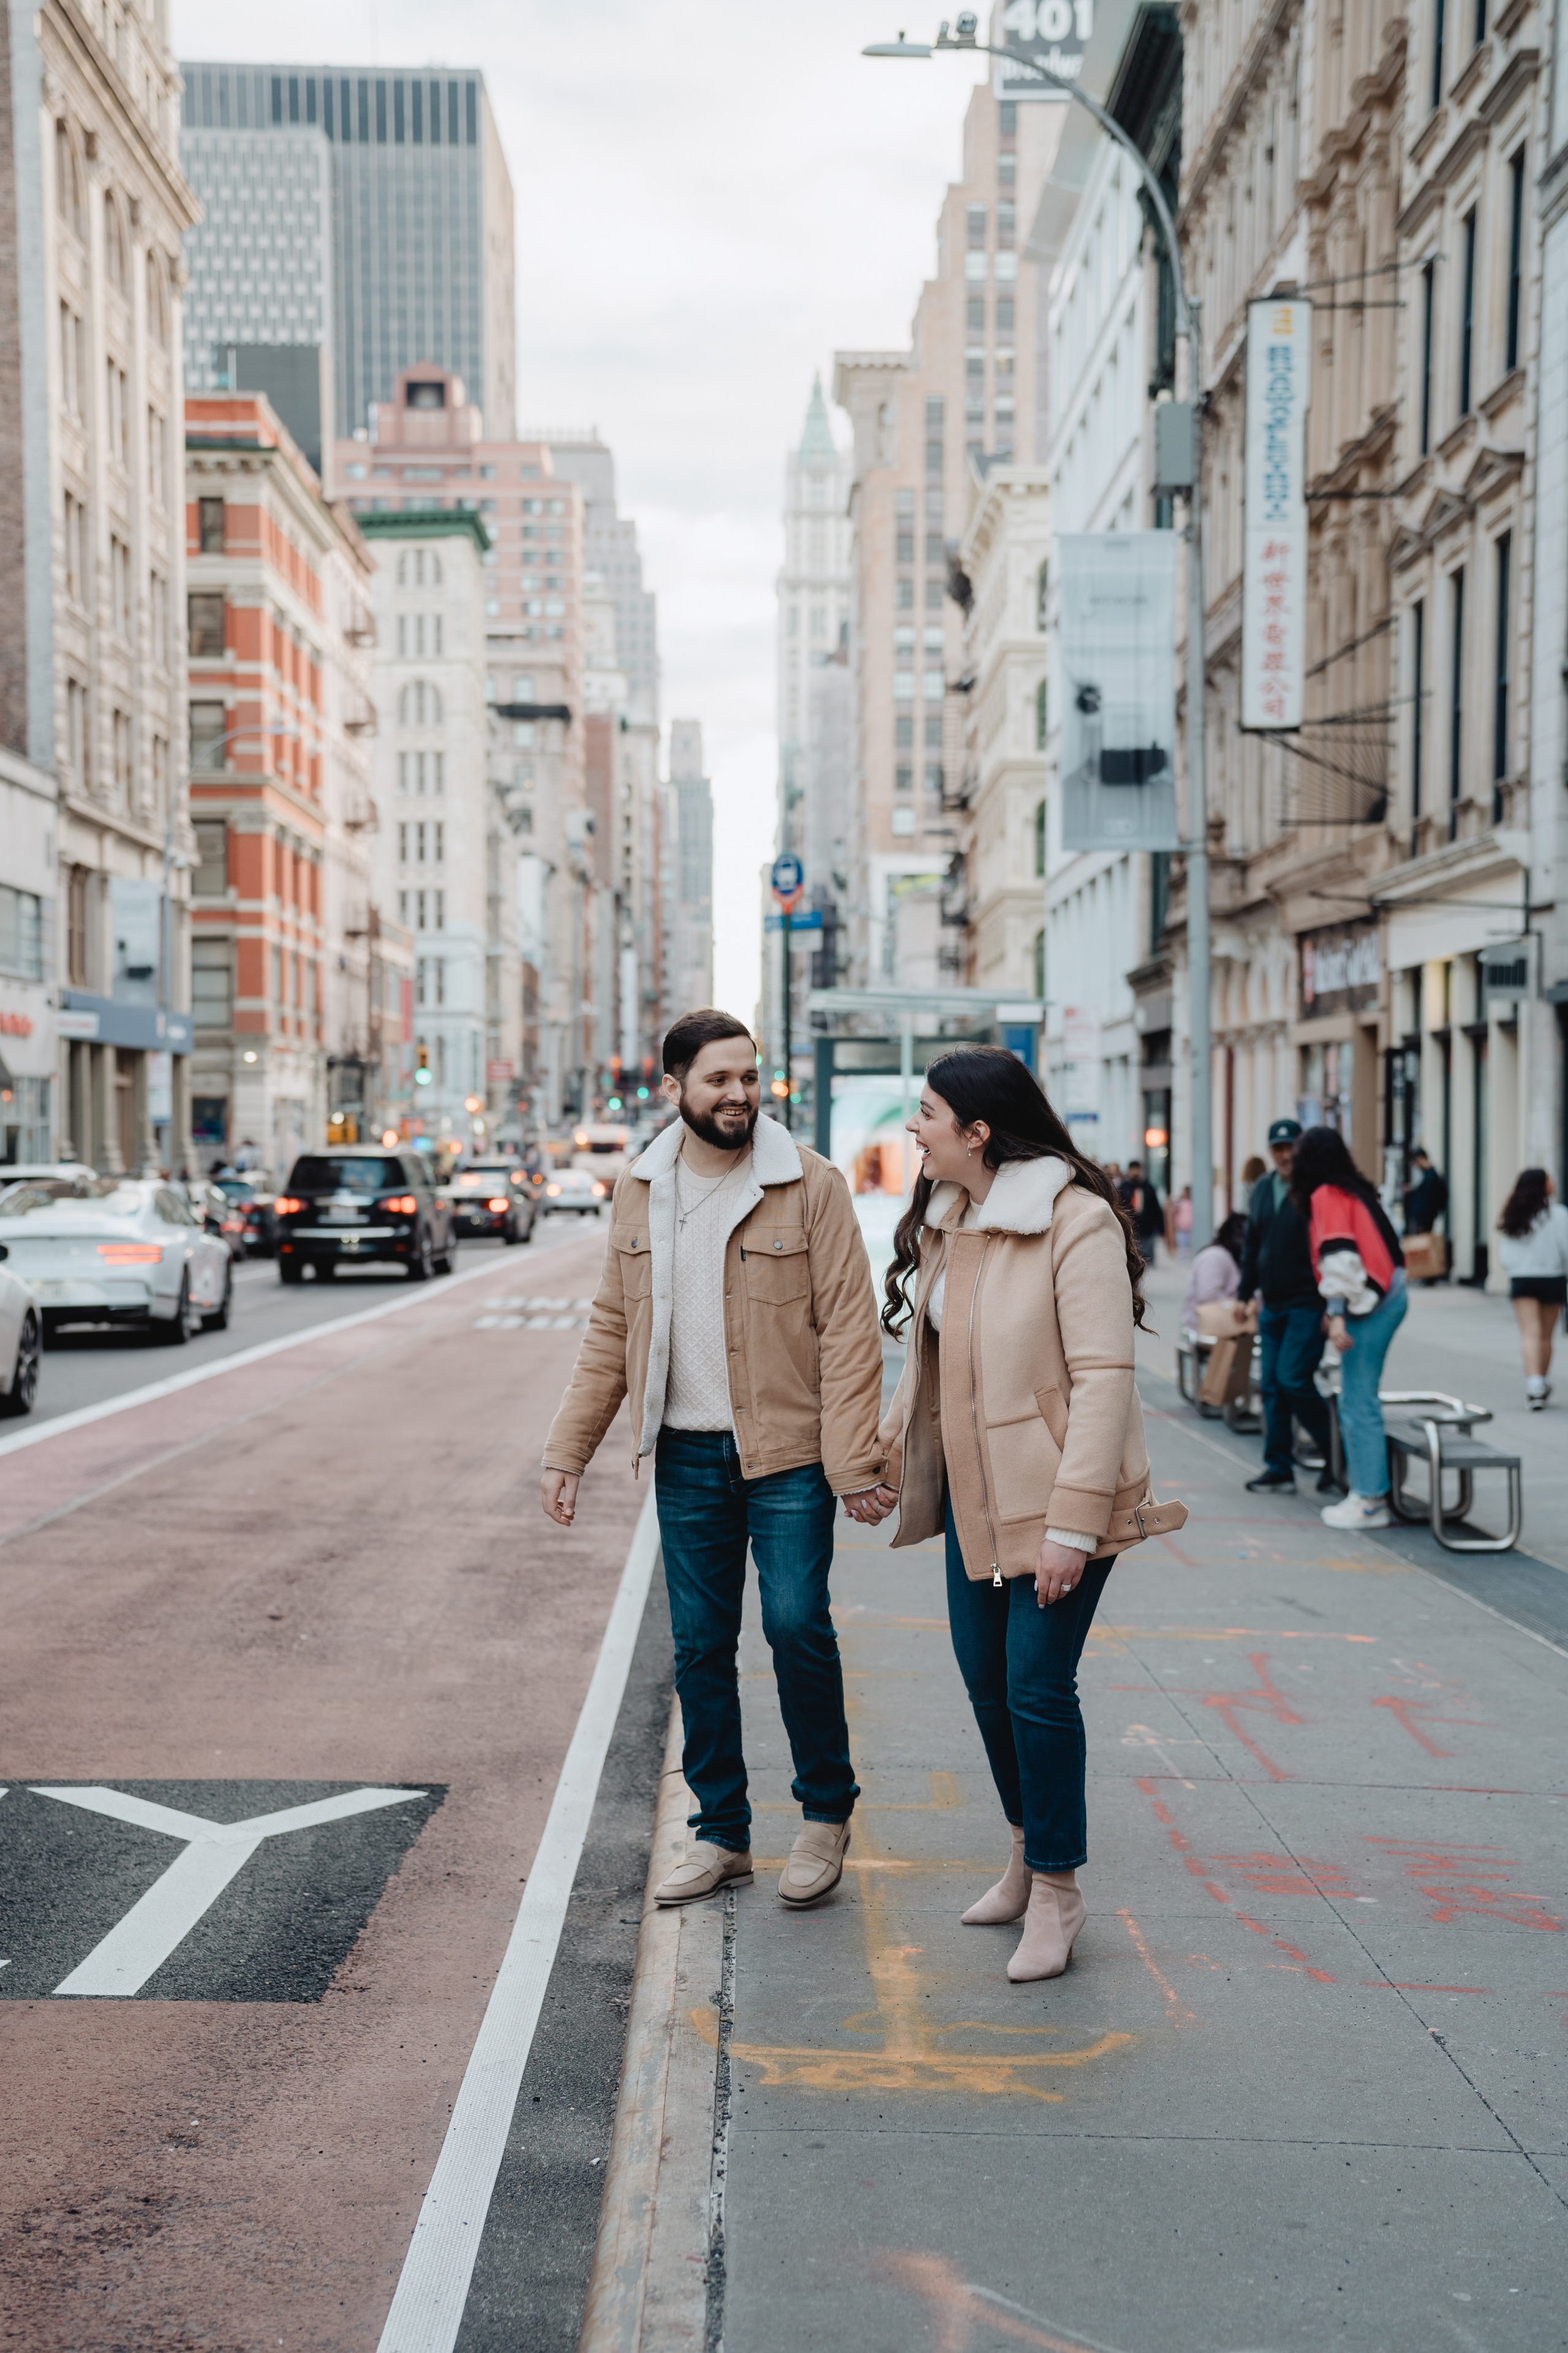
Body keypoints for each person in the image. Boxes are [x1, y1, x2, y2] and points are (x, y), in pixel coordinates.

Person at [540, 1008, 889, 1912]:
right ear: (674, 1089)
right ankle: (722, 1833)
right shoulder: (640, 1188)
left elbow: (852, 1336)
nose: (740, 1094)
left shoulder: (808, 1185)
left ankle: (824, 1814)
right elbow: (613, 1328)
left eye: (749, 1076)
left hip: (789, 1458)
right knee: (699, 1647)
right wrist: (568, 1450)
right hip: (687, 1459)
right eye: (719, 1080)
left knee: (795, 1624)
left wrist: (852, 1463)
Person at [864, 1046, 1182, 1985]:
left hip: (1057, 1506)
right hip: (977, 1501)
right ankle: (1022, 1848)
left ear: (977, 1131)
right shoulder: (948, 1221)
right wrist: (883, 1458)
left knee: (1039, 1688)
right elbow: (927, 1370)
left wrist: (1073, 1526)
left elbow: (1104, 1382)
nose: (912, 1129)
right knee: (987, 1684)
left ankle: (1058, 1890)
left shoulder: (1074, 1223)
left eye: (925, 1113)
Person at [1291, 1126, 1408, 1530]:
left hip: (1371, 1304)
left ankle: (1370, 1499)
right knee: (1360, 1397)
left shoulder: (1327, 1194)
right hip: (1386, 1294)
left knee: (1359, 1401)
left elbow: (1339, 1257)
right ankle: (1368, 1493)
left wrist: (1337, 1313)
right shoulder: (1352, 1189)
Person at [1238, 1117, 1336, 1497]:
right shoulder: (1263, 1188)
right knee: (1273, 1386)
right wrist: (1245, 1293)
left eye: (1290, 1147)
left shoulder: (1316, 1189)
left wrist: (1333, 1304)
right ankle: (1278, 1467)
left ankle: (1336, 1454)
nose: (1284, 1155)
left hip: (1308, 1303)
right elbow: (1252, 1243)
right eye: (1277, 1148)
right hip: (1272, 1304)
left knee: (1293, 1379)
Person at [1498, 1168, 1568, 1408]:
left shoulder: (1514, 1214)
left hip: (1522, 1278)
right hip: (1552, 1277)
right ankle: (1541, 1383)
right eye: (1549, 1179)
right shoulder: (1558, 1215)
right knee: (1546, 1335)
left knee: (1530, 1333)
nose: (1554, 1182)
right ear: (1543, 1185)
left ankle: (1534, 1383)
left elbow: (1505, 1253)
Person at [1119, 1159, 1164, 1264]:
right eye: (1133, 1170)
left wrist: (1160, 1228)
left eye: (1137, 1170)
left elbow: (1156, 1208)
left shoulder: (1148, 1187)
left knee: (1147, 1255)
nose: (1135, 1172)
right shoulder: (1124, 1187)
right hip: (1130, 1225)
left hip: (1147, 1226)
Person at [1401, 1147, 1448, 1234]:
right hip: (1423, 1220)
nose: (1417, 1167)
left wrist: (1422, 1222)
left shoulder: (1431, 1178)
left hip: (1423, 1221)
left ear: (1420, 1159)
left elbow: (1427, 1200)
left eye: (1416, 1163)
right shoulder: (1430, 1176)